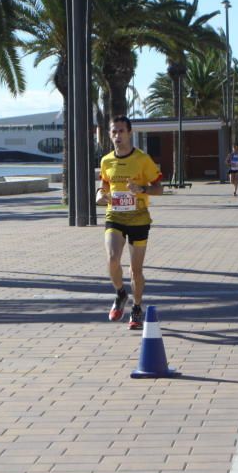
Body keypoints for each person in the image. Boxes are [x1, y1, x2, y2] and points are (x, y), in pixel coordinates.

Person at [96, 116, 163, 330]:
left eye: (121, 131)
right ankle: (120, 293)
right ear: (109, 134)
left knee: (136, 270)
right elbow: (104, 185)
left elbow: (159, 187)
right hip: (114, 216)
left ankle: (136, 306)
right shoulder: (106, 161)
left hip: (138, 218)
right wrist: (100, 194)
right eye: (113, 132)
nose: (117, 136)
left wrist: (142, 190)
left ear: (129, 132)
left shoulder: (142, 159)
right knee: (112, 259)